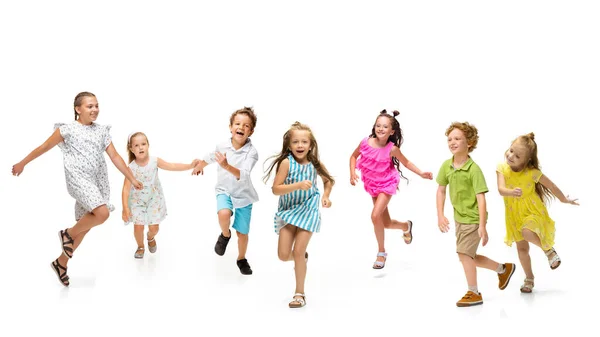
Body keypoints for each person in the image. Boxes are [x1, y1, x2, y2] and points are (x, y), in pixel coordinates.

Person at [11, 91, 143, 286]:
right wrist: (23, 163)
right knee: (102, 213)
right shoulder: (67, 130)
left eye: (97, 105)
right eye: (90, 106)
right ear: (77, 109)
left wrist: (131, 178)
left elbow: (115, 157)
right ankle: (67, 234)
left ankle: (61, 263)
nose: (95, 109)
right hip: (78, 179)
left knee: (85, 226)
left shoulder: (101, 131)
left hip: (97, 181)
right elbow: (43, 147)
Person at [435, 121, 515, 307]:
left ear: (469, 143)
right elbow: (440, 191)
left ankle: (474, 292)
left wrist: (482, 226)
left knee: (464, 255)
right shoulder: (446, 166)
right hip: (459, 218)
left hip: (473, 218)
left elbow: (481, 198)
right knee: (468, 256)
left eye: (457, 139)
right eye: (449, 139)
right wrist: (440, 215)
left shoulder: (473, 169)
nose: (452, 142)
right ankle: (503, 269)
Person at [349, 109, 432, 269]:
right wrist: (352, 173)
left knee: (375, 216)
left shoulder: (392, 148)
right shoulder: (365, 142)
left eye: (385, 127)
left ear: (392, 131)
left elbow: (406, 162)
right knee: (385, 222)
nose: (380, 129)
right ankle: (405, 226)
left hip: (386, 183)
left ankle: (381, 252)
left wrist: (421, 173)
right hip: (372, 183)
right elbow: (353, 156)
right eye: (378, 125)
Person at [496, 132, 579, 293]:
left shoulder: (532, 172)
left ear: (527, 160)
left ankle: (548, 250)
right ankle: (529, 278)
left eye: (517, 155)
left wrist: (564, 200)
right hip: (513, 214)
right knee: (522, 250)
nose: (511, 156)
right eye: (511, 150)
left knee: (527, 232)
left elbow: (552, 186)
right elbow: (500, 189)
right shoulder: (502, 168)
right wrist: (510, 192)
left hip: (532, 211)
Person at [263, 121, 334, 308]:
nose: (300, 146)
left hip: (308, 209)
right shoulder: (286, 163)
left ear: (310, 145)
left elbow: (328, 181)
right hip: (288, 211)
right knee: (283, 255)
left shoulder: (315, 163)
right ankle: (301, 258)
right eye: (295, 142)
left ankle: (299, 294)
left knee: (299, 251)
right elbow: (276, 189)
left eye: (304, 142)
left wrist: (325, 197)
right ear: (289, 144)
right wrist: (297, 185)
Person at [192, 107, 259, 275]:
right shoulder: (222, 146)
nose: (241, 128)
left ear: (251, 131)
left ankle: (241, 258)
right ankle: (225, 234)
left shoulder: (252, 152)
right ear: (230, 127)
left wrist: (226, 166)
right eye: (237, 124)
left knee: (242, 233)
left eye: (246, 126)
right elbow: (210, 156)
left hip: (244, 195)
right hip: (225, 190)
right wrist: (201, 165)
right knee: (223, 213)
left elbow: (244, 175)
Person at [122, 131, 198, 258]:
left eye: (143, 144)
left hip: (153, 200)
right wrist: (125, 208)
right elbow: (125, 189)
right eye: (136, 145)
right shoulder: (131, 168)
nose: (140, 147)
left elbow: (172, 166)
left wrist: (190, 165)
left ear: (148, 145)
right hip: (137, 202)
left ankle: (150, 237)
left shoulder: (154, 161)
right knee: (138, 227)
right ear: (131, 149)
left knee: (154, 228)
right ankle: (140, 246)